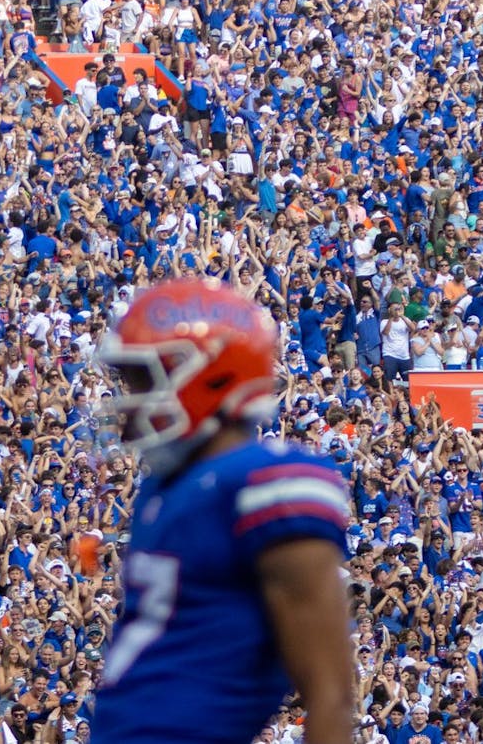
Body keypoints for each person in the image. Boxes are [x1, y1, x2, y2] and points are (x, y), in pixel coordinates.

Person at [91, 278, 355, 744]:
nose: (128, 402)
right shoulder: (163, 486)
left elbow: (329, 691)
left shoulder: (268, 482)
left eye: (144, 380)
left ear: (208, 377)